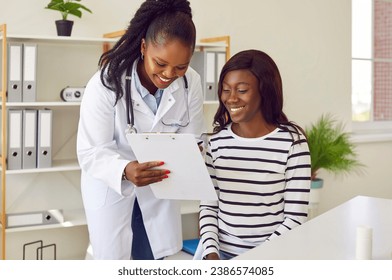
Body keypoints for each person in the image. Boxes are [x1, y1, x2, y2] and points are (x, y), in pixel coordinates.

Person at [77, 0, 206, 260]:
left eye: (180, 66)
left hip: (161, 181)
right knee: (113, 259)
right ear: (144, 47)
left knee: (154, 257)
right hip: (111, 185)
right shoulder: (106, 83)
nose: (169, 74)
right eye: (160, 63)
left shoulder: (191, 82)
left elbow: (193, 138)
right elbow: (91, 151)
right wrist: (125, 169)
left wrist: (193, 157)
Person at [198, 49, 311, 260]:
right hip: (221, 257)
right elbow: (208, 206)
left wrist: (250, 263)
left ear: (265, 91)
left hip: (272, 258)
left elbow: (295, 218)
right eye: (225, 90)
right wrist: (211, 253)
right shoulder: (216, 142)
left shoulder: (293, 142)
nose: (231, 99)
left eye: (241, 90)